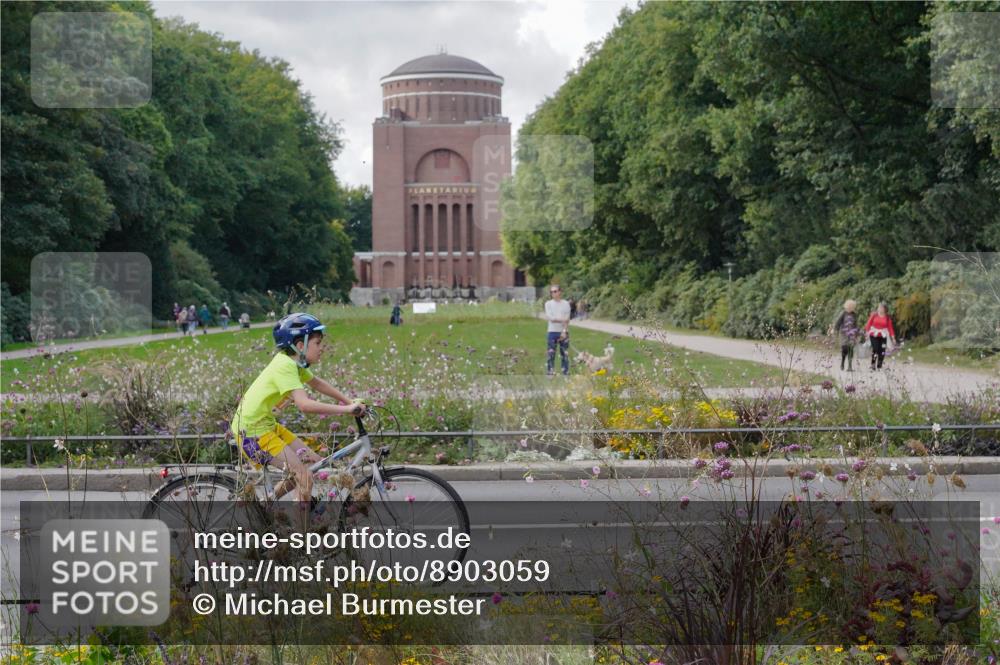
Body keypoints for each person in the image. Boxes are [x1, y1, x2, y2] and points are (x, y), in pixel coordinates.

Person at [231, 313, 366, 504]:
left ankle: (265, 506)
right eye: (318, 343)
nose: (322, 348)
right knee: (304, 477)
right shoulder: (285, 365)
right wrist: (347, 409)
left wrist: (349, 400)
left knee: (312, 463)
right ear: (300, 345)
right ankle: (301, 531)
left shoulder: (292, 362)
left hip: (265, 426)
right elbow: (304, 404)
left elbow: (317, 383)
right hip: (252, 433)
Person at [545, 285, 571, 376]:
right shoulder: (548, 304)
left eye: (556, 291)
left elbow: (567, 319)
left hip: (563, 332)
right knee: (551, 354)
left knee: (565, 354)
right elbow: (551, 318)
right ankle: (550, 373)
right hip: (552, 332)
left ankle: (565, 373)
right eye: (552, 292)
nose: (554, 293)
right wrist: (562, 320)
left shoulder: (566, 304)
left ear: (560, 292)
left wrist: (564, 331)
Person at [830, 299, 861, 371]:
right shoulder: (843, 313)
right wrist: (835, 330)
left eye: (852, 307)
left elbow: (856, 325)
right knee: (844, 348)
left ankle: (850, 366)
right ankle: (842, 362)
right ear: (846, 306)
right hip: (843, 334)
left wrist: (858, 334)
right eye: (849, 307)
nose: (850, 308)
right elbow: (838, 322)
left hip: (852, 334)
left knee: (851, 349)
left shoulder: (854, 314)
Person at [864, 302, 897, 371]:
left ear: (885, 309)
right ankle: (873, 364)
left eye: (881, 307)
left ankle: (879, 365)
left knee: (882, 350)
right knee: (875, 349)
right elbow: (868, 324)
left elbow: (890, 328)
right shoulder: (874, 315)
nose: (879, 309)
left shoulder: (887, 317)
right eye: (879, 307)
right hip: (874, 335)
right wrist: (867, 333)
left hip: (883, 335)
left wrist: (893, 338)